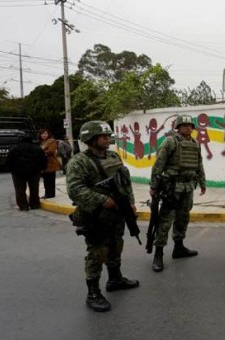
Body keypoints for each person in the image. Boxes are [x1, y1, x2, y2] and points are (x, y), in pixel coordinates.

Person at [66, 121, 140, 312]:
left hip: (117, 212)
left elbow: (125, 182)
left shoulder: (113, 156)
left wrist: (130, 203)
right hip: (95, 215)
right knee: (97, 252)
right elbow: (75, 190)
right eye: (103, 136)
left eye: (108, 136)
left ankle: (115, 278)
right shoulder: (79, 161)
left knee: (117, 244)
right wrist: (101, 199)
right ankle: (93, 293)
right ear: (90, 139)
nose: (108, 139)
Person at [149, 115, 206, 272]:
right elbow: (158, 165)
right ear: (178, 127)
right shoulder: (170, 141)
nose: (188, 128)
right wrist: (154, 186)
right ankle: (158, 254)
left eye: (190, 125)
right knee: (165, 221)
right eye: (184, 125)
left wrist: (202, 182)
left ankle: (178, 248)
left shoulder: (195, 144)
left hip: (188, 187)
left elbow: (199, 164)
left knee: (183, 219)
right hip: (171, 188)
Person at [6, 132, 47, 211]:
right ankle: (35, 204)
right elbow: (43, 160)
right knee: (34, 188)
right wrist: (42, 169)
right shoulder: (37, 149)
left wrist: (12, 170)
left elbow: (9, 161)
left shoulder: (14, 149)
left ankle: (23, 206)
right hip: (34, 172)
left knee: (19, 189)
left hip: (18, 173)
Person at [39, 128, 61, 198]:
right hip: (45, 164)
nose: (44, 135)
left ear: (48, 134)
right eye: (42, 134)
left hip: (51, 163)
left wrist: (42, 153)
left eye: (45, 133)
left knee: (50, 180)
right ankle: (47, 194)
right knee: (46, 180)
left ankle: (50, 194)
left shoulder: (52, 141)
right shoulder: (42, 142)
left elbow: (51, 151)